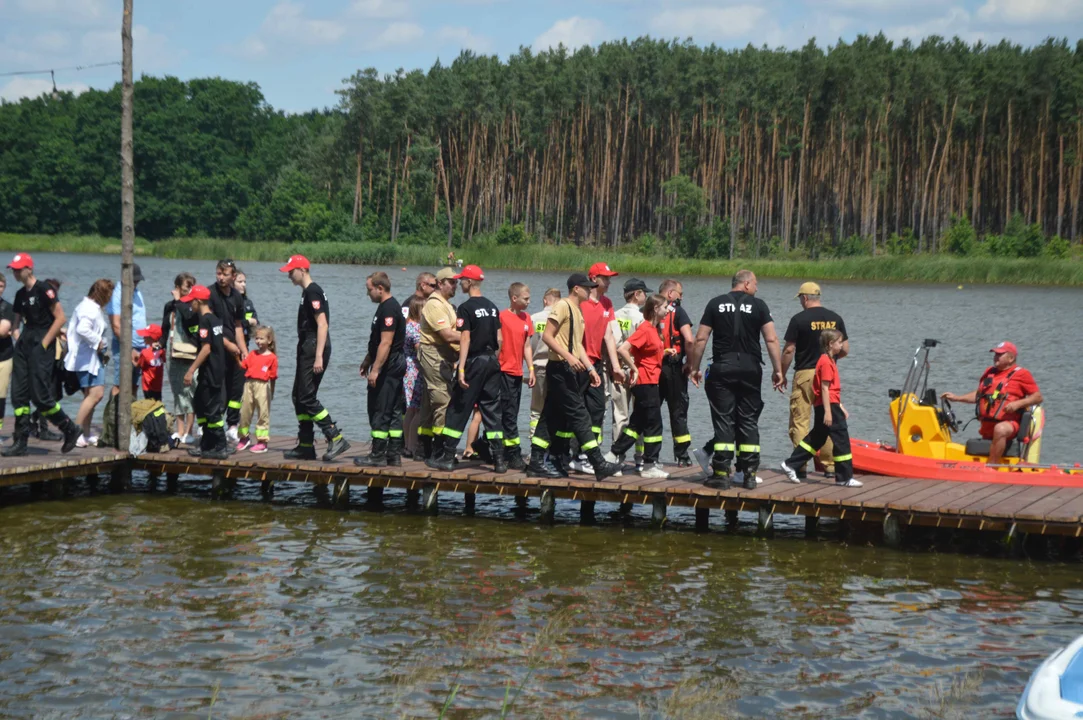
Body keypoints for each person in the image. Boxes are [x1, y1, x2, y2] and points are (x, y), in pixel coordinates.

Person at [687, 270, 784, 488]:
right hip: (751, 368)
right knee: (748, 419)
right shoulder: (759, 306)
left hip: (723, 367)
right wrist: (778, 370)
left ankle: (721, 473)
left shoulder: (715, 304)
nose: (757, 289)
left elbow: (701, 338)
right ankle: (748, 474)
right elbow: (771, 339)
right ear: (746, 284)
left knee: (724, 420)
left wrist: (695, 367)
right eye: (756, 284)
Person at [527, 273, 621, 481]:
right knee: (579, 414)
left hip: (569, 368)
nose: (590, 291)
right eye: (587, 288)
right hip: (559, 367)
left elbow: (577, 345)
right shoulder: (562, 306)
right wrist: (568, 357)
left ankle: (535, 461)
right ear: (576, 289)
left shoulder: (578, 312)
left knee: (549, 414)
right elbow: (547, 336)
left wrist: (591, 369)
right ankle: (598, 463)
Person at [2, 253, 80, 456]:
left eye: (19, 269)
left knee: (40, 395)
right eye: (14, 269)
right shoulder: (20, 294)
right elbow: (17, 323)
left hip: (42, 343)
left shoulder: (45, 290)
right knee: (18, 395)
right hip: (24, 345)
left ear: (29, 268)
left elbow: (60, 318)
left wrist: (44, 344)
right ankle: (21, 441)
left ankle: (69, 428)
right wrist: (18, 338)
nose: (16, 273)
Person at [428, 265, 505, 472]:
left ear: (469, 283)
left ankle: (446, 456)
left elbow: (464, 338)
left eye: (462, 280)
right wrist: (494, 361)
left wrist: (461, 368)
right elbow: (500, 338)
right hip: (492, 361)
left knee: (458, 408)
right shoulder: (492, 306)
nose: (459, 283)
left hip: (475, 362)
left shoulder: (465, 308)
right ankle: (499, 460)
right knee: (491, 411)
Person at [280, 254, 350, 461]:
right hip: (307, 347)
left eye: (291, 272)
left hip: (313, 347)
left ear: (302, 270)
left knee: (306, 397)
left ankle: (335, 437)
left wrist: (318, 355)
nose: (289, 276)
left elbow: (322, 324)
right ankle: (306, 445)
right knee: (298, 396)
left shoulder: (313, 292)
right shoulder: (306, 293)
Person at [781, 282, 849, 480]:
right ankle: (829, 467)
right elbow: (845, 349)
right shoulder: (836, 318)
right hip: (828, 372)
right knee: (826, 420)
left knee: (800, 419)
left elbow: (788, 350)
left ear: (804, 298)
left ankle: (799, 465)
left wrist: (780, 373)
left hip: (804, 373)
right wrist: (832, 361)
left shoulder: (798, 319)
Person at [780, 329, 862, 487]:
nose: (842, 345)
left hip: (831, 404)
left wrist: (840, 406)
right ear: (831, 344)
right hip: (827, 405)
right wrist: (829, 412)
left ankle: (791, 464)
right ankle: (844, 477)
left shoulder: (829, 360)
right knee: (841, 438)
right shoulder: (825, 362)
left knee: (817, 438)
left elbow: (831, 389)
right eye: (839, 342)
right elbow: (824, 389)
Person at [941, 341, 1043, 465]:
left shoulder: (1022, 374)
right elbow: (980, 395)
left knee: (1000, 429)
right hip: (987, 425)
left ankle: (992, 467)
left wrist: (1018, 404)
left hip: (1009, 424)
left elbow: (1037, 397)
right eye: (995, 354)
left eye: (1000, 355)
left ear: (1011, 358)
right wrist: (957, 398)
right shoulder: (989, 372)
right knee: (993, 431)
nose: (995, 357)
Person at [604, 293, 669, 479]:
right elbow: (623, 349)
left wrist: (664, 352)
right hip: (645, 383)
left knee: (637, 424)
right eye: (664, 307)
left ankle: (613, 454)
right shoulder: (645, 328)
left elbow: (649, 353)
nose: (667, 311)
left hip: (650, 381)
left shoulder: (653, 330)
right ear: (656, 309)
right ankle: (649, 464)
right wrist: (634, 368)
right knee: (654, 424)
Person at [576, 262, 625, 473]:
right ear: (594, 279)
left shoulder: (607, 303)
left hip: (595, 363)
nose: (609, 281)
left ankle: (589, 455)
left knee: (596, 409)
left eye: (610, 277)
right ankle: (566, 455)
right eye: (605, 277)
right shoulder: (580, 302)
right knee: (573, 410)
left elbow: (608, 336)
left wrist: (615, 366)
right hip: (577, 363)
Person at [355, 272, 406, 467]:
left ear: (380, 288)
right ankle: (393, 454)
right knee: (393, 410)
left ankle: (377, 454)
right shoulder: (385, 307)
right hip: (391, 362)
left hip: (390, 364)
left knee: (380, 409)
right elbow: (377, 342)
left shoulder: (389, 309)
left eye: (369, 289)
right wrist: (368, 360)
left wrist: (375, 370)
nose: (368, 294)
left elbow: (386, 342)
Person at [417, 267, 461, 460]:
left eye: (456, 283)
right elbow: (447, 334)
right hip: (434, 354)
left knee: (429, 402)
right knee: (442, 400)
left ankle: (423, 449)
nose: (455, 286)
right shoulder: (434, 305)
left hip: (443, 355)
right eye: (451, 282)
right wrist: (473, 337)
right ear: (440, 283)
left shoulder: (446, 304)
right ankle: (439, 449)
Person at [180, 284, 229, 460]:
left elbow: (206, 348)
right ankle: (207, 443)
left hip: (211, 371)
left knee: (212, 409)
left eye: (191, 301)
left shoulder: (205, 321)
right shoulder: (215, 319)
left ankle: (221, 445)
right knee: (200, 403)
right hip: (214, 370)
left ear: (198, 301)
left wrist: (190, 370)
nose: (190, 305)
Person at [64, 278, 113, 448]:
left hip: (93, 357)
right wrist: (97, 341)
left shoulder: (93, 307)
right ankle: (74, 432)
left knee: (90, 395)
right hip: (86, 358)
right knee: (96, 394)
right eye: (109, 295)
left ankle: (85, 432)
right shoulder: (88, 308)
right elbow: (82, 329)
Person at [207, 259, 247, 440]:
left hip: (235, 349)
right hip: (217, 348)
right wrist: (227, 344)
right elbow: (209, 326)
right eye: (218, 273)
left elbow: (238, 325)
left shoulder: (237, 297)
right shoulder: (210, 294)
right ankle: (212, 427)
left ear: (233, 276)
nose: (221, 278)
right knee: (219, 389)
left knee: (236, 388)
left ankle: (232, 425)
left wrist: (243, 349)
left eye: (225, 274)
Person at [497, 282, 535, 470]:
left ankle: (504, 449)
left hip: (517, 372)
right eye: (525, 299)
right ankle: (512, 454)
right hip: (503, 370)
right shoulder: (502, 317)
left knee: (512, 411)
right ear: (514, 298)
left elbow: (527, 345)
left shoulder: (527, 318)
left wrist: (531, 368)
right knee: (508, 413)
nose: (529, 302)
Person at [658, 279, 695, 466]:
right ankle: (682, 456)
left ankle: (650, 457)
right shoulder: (678, 311)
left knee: (651, 412)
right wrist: (690, 363)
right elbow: (689, 340)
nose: (681, 298)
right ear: (670, 294)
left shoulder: (649, 310)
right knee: (678, 412)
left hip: (653, 368)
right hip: (674, 368)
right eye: (680, 294)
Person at [162, 272, 199, 444]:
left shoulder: (193, 306)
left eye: (192, 286)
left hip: (191, 353)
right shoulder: (170, 306)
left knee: (190, 391)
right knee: (177, 392)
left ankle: (189, 432)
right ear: (177, 287)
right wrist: (160, 346)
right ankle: (180, 430)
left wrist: (179, 301)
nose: (190, 290)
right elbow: (164, 328)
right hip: (173, 352)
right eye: (186, 286)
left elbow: (190, 319)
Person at [611, 278, 646, 449]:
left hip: (617, 368)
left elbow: (612, 343)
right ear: (637, 294)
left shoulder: (614, 315)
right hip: (636, 368)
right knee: (641, 414)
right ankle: (641, 458)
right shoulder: (641, 318)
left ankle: (617, 457)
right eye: (644, 292)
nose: (646, 296)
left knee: (620, 415)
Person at [106, 262, 146, 395]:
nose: (136, 283)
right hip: (124, 346)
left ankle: (130, 414)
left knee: (134, 385)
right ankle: (114, 415)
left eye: (138, 280)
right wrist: (129, 349)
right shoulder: (116, 295)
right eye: (134, 280)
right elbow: (116, 326)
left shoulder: (136, 292)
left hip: (141, 345)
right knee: (119, 384)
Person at [238, 326, 278, 454]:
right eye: (257, 338)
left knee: (263, 413)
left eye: (261, 338)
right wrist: (235, 356)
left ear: (269, 340)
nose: (259, 341)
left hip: (263, 385)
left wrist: (271, 391)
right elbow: (243, 366)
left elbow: (273, 377)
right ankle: (244, 437)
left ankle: (262, 441)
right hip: (249, 384)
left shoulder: (272, 357)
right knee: (245, 411)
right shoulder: (252, 354)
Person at [528, 288, 561, 436]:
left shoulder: (534, 318)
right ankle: (552, 445)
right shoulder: (561, 318)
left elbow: (526, 345)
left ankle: (534, 443)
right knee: (556, 407)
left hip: (538, 366)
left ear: (544, 300)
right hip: (558, 366)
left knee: (536, 408)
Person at [402, 295, 426, 457]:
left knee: (410, 409)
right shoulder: (416, 328)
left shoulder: (406, 326)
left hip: (407, 369)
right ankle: (412, 446)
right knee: (417, 409)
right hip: (415, 371)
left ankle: (406, 445)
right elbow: (421, 351)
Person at [0, 272, 15, 438]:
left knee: (0, 397)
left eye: (1, 286)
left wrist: (6, 331)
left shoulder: (7, 307)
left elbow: (4, 330)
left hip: (4, 357)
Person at [135, 324, 165, 401]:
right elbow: (164, 359)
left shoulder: (144, 352)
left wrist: (132, 359)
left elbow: (138, 365)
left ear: (152, 338)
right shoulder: (162, 352)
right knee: (158, 403)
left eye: (145, 336)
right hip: (158, 386)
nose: (143, 337)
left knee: (149, 404)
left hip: (147, 386)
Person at [234, 270, 259, 349]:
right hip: (232, 344)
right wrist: (248, 322)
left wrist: (253, 322)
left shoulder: (248, 302)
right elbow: (230, 324)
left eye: (245, 282)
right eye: (240, 282)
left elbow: (256, 322)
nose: (243, 285)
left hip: (245, 343)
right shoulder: (228, 302)